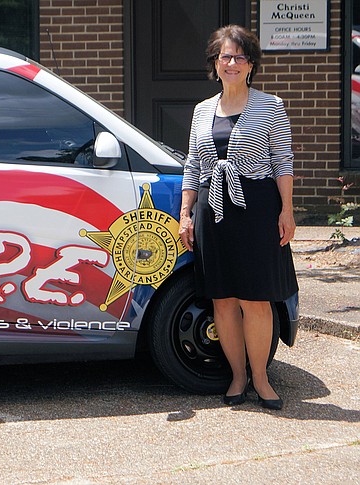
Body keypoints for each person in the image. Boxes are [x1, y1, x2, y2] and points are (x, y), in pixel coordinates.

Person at [178, 25, 298, 411]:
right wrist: (185, 214)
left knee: (256, 300)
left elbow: (282, 163)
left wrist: (287, 210)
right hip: (213, 211)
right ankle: (238, 376)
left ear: (251, 64)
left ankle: (261, 378)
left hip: (257, 210)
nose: (231, 63)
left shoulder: (271, 106)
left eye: (239, 57)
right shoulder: (201, 111)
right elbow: (194, 165)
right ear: (215, 62)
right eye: (225, 56)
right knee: (224, 300)